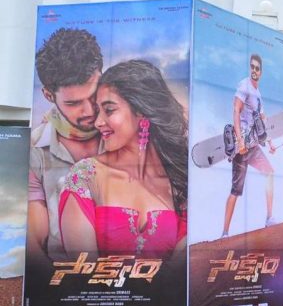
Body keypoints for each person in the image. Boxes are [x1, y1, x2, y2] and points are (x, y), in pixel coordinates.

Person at [59, 60, 187, 257]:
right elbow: (83, 270)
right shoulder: (86, 176)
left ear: (141, 111)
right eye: (98, 111)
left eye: (109, 110)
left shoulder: (179, 182)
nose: (98, 122)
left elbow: (182, 267)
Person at [29, 28, 105, 261]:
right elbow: (34, 240)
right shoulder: (35, 149)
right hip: (65, 275)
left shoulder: (131, 133)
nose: (89, 111)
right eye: (73, 103)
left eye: (93, 96)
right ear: (48, 95)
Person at [222, 53, 278, 238]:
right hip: (242, 148)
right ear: (250, 68)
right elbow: (236, 111)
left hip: (253, 146)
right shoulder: (244, 86)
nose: (254, 70)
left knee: (269, 173)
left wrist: (270, 143)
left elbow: (262, 119)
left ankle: (269, 218)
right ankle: (225, 232)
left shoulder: (258, 94)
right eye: (252, 67)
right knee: (236, 191)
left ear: (261, 71)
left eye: (257, 68)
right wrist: (239, 140)